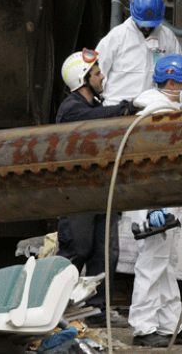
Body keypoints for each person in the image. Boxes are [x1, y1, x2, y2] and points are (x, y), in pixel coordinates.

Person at [56, 49, 135, 327]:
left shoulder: (94, 106)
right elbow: (96, 120)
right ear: (83, 79)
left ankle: (97, 310)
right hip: (77, 193)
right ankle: (56, 306)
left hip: (100, 190)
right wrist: (123, 108)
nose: (103, 77)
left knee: (105, 252)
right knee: (78, 247)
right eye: (98, 73)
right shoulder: (72, 109)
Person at [127, 55, 182, 347]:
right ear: (171, 82)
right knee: (151, 265)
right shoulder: (154, 116)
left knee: (166, 265)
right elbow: (146, 167)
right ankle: (143, 329)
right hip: (154, 202)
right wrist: (154, 205)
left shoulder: (164, 110)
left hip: (164, 199)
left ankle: (170, 324)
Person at [96, 0, 181, 106]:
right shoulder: (117, 37)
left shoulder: (168, 37)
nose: (147, 28)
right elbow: (98, 72)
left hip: (151, 108)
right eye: (143, 24)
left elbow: (179, 72)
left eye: (151, 25)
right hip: (116, 107)